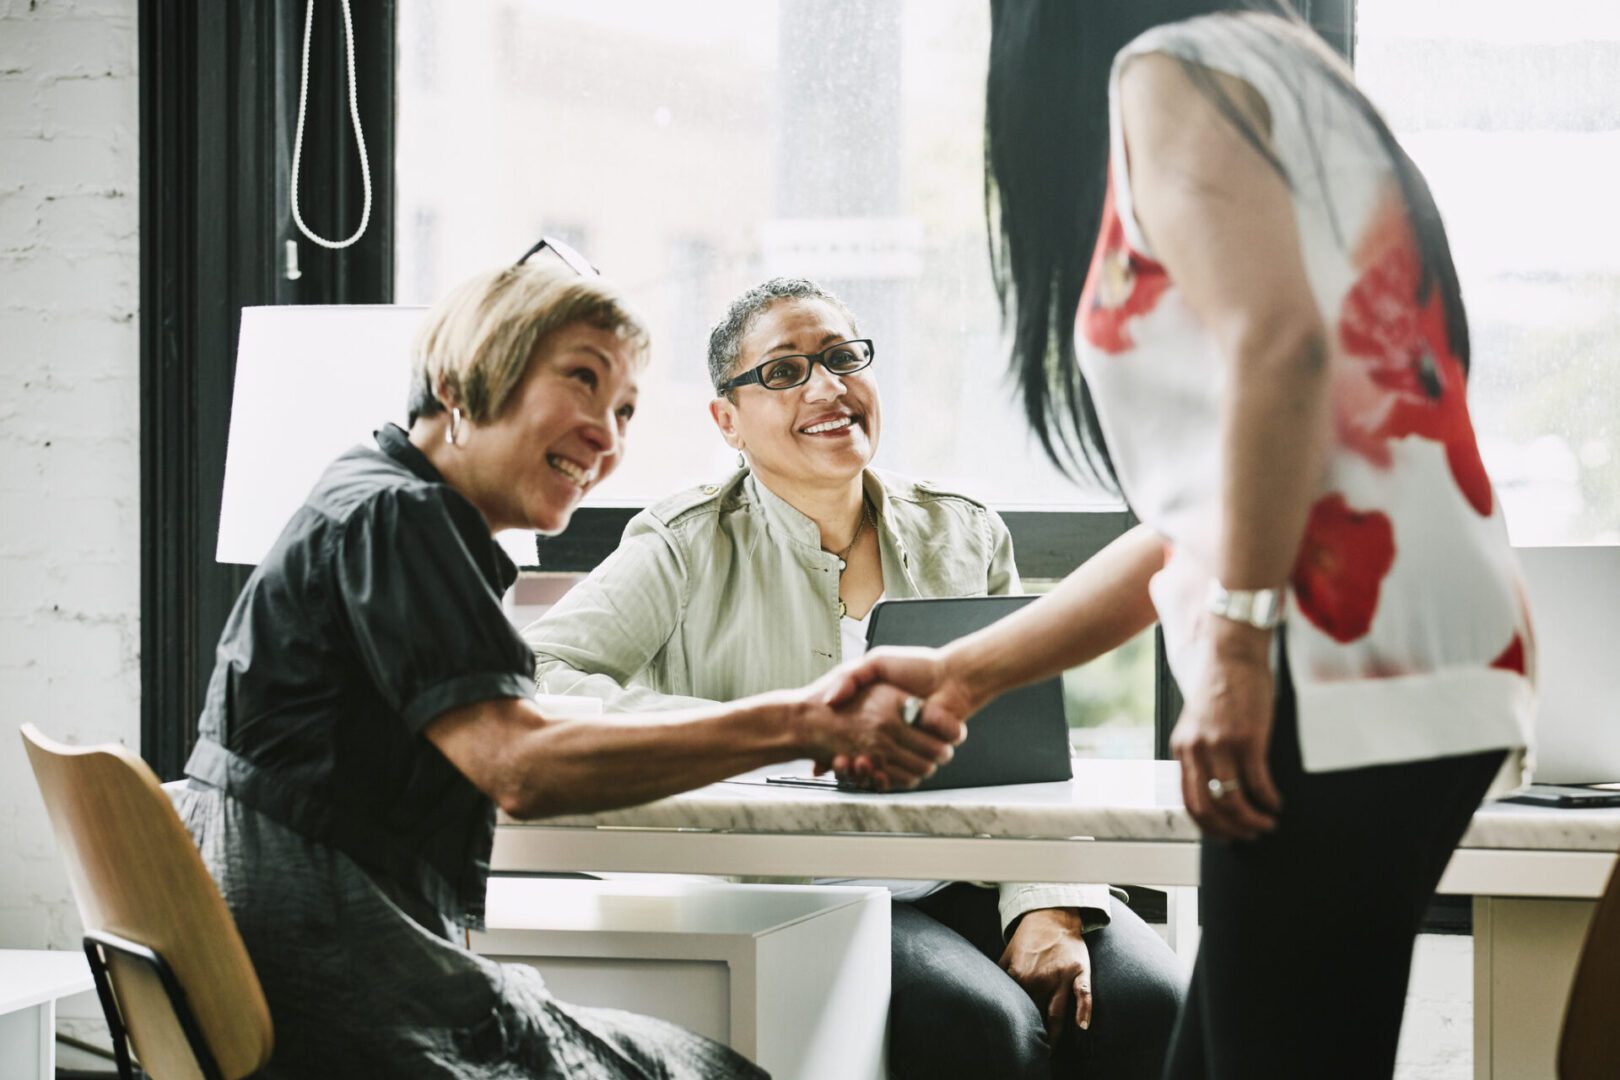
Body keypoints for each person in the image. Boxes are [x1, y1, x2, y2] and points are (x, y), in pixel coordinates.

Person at [834, 4, 1535, 1078]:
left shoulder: (1170, 70)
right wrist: (966, 674)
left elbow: (1282, 342)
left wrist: (1243, 652)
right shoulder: (1284, 70)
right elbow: (1193, 527)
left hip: (1330, 656)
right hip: (1418, 647)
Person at [170, 255, 961, 1079]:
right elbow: (520, 766)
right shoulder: (399, 519)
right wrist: (797, 723)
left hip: (307, 954)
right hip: (339, 973)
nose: (608, 435)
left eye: (623, 410)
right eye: (581, 383)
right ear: (461, 380)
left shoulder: (378, 498)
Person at [524, 277, 1184, 1080]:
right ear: (726, 420)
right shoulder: (684, 541)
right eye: (783, 371)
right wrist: (759, 734)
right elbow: (543, 672)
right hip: (806, 886)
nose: (827, 387)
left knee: (1153, 1005)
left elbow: (1026, 748)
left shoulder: (962, 529)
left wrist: (1047, 904)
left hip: (970, 866)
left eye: (842, 357)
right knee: (983, 1026)